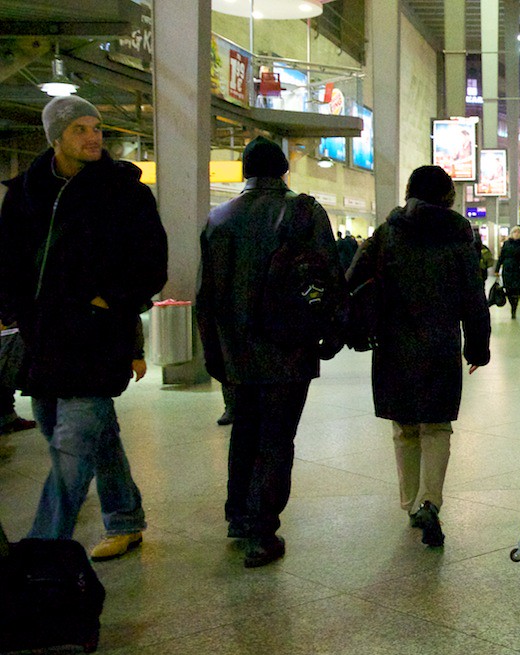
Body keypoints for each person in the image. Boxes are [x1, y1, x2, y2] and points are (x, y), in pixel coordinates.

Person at [0, 95, 167, 559]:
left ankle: (39, 554)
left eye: (98, 128)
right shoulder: (25, 193)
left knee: (70, 452)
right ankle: (125, 518)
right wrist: (15, 310)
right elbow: (8, 261)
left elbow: (152, 262)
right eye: (81, 129)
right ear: (56, 137)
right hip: (43, 342)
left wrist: (110, 301)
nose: (94, 137)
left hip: (97, 341)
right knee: (91, 437)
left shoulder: (124, 191)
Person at [197, 136, 347, 568]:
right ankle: (264, 529)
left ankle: (239, 516)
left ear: (244, 172)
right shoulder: (304, 211)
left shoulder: (218, 218)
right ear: (282, 169)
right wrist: (334, 332)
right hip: (290, 346)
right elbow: (328, 276)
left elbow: (205, 294)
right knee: (277, 437)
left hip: (236, 350)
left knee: (244, 431)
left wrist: (213, 352)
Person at [346, 165, 490, 548]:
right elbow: (473, 296)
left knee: (405, 427)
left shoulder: (388, 232)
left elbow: (352, 281)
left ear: (409, 192)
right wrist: (477, 346)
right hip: (440, 342)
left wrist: (352, 328)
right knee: (437, 426)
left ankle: (410, 505)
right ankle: (431, 501)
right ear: (447, 196)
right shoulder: (458, 234)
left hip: (394, 344)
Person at [494, 225, 520, 319]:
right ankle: (512, 303)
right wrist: (497, 269)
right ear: (511, 234)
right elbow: (501, 257)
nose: (516, 234)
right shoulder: (506, 244)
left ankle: (514, 308)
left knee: (516, 290)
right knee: (508, 289)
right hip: (507, 270)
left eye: (518, 232)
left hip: (519, 270)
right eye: (515, 232)